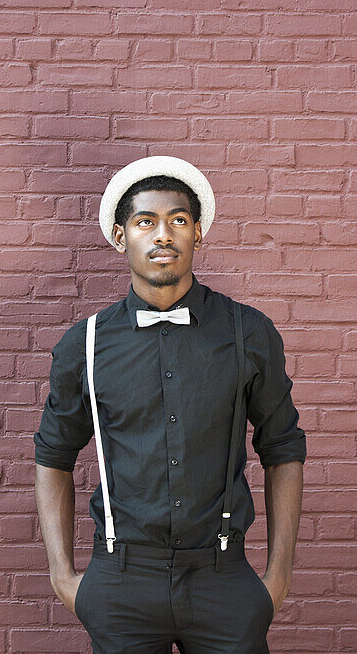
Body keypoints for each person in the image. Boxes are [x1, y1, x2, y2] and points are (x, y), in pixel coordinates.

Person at [33, 155, 307, 653]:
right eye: (145, 222)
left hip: (223, 578)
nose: (163, 235)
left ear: (197, 235)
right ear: (121, 237)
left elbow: (283, 448)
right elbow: (53, 455)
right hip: (121, 582)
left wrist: (277, 578)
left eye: (178, 220)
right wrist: (63, 576)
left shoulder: (248, 332)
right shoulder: (87, 344)